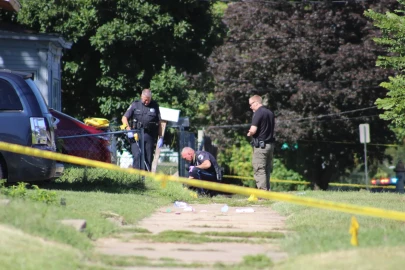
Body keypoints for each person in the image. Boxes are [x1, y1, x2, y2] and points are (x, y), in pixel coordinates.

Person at [121, 89, 164, 171]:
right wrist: (128, 130)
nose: (146, 102)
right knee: (137, 155)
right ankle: (137, 178)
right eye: (145, 100)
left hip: (149, 135)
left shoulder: (155, 106)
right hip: (136, 134)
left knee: (148, 157)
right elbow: (124, 118)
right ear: (141, 96)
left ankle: (146, 178)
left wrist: (161, 137)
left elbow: (159, 123)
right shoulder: (135, 105)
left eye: (148, 100)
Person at [247, 95, 275, 191]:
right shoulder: (270, 113)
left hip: (261, 147)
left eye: (251, 104)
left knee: (259, 169)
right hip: (270, 146)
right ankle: (267, 191)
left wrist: (249, 132)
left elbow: (253, 130)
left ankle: (263, 194)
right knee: (266, 169)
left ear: (256, 102)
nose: (250, 107)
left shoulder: (258, 113)